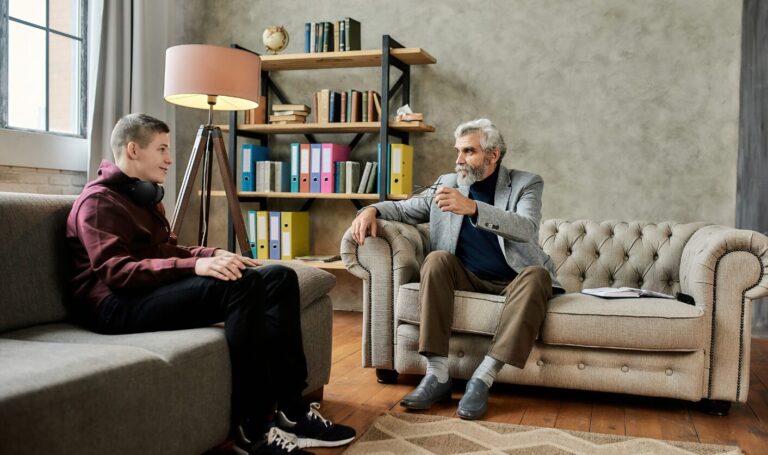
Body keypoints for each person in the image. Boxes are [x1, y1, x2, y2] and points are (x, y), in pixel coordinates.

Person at [66, 113, 355, 455]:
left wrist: (214, 252)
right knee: (240, 285)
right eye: (161, 149)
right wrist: (197, 266)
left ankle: (293, 411)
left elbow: (164, 250)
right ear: (133, 150)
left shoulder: (141, 196)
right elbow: (119, 272)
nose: (169, 159)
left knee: (278, 276)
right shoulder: (98, 203)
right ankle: (254, 431)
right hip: (113, 306)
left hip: (142, 292)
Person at [350, 118, 564, 420]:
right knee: (436, 259)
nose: (458, 160)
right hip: (467, 277)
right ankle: (437, 375)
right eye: (457, 151)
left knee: (538, 276)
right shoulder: (447, 183)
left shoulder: (526, 183)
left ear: (493, 155)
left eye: (468, 151)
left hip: (514, 280)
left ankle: (482, 378)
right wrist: (369, 209)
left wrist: (474, 208)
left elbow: (526, 228)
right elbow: (402, 209)